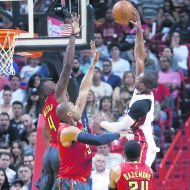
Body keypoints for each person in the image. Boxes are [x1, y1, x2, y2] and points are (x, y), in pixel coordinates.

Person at [53, 41, 124, 190]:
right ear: (70, 113)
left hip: (82, 180)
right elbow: (99, 141)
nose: (76, 104)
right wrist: (120, 133)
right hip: (70, 182)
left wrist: (93, 64)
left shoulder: (75, 119)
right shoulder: (67, 130)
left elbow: (84, 90)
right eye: (73, 105)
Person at [100, 9, 160, 167]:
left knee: (138, 179)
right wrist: (139, 32)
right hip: (136, 139)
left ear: (141, 84)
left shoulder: (143, 102)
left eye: (138, 77)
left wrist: (102, 123)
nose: (135, 76)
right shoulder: (141, 89)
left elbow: (120, 126)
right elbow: (139, 56)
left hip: (144, 144)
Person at [36, 14, 81, 190]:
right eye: (51, 82)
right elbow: (67, 67)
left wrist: (50, 150)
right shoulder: (57, 94)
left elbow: (47, 134)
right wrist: (72, 36)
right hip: (63, 149)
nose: (55, 82)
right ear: (47, 89)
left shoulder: (45, 107)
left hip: (51, 152)